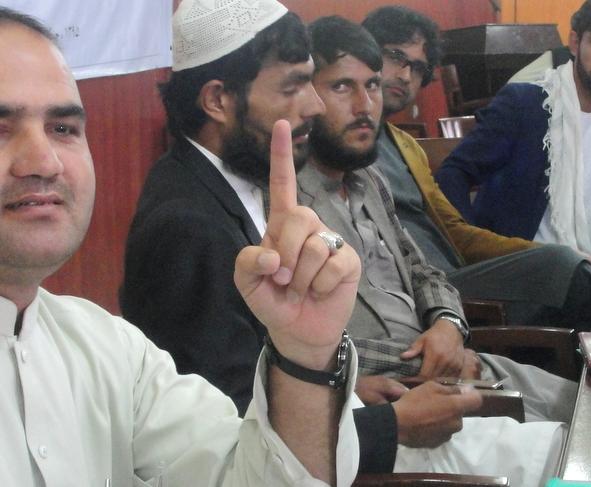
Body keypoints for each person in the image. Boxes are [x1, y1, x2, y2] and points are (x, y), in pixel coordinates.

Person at [0, 5, 363, 486]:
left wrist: (304, 358)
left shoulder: (108, 349)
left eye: (62, 128)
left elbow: (249, 477)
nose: (44, 162)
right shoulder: (183, 220)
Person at [121, 0, 481, 475]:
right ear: (218, 100)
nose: (314, 105)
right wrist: (389, 425)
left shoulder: (240, 183)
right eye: (292, 87)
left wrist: (343, 388)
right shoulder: (185, 224)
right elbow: (225, 420)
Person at [303, 15, 569, 486]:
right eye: (342, 87)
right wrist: (429, 358)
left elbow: (425, 270)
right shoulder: (282, 203)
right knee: (570, 449)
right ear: (303, 96)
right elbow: (296, 344)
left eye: (372, 86)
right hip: (397, 392)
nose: (366, 105)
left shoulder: (368, 178)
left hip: (448, 358)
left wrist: (448, 325)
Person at [362, 5, 591, 329]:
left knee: (569, 267)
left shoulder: (406, 146)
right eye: (395, 57)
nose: (405, 76)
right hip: (412, 293)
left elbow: (456, 232)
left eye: (418, 68)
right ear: (365, 52)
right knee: (566, 273)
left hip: (454, 277)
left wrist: (536, 251)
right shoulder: (340, 149)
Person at [437, 0, 591, 258]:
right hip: (525, 264)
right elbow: (453, 173)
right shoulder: (524, 104)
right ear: (575, 43)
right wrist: (470, 244)